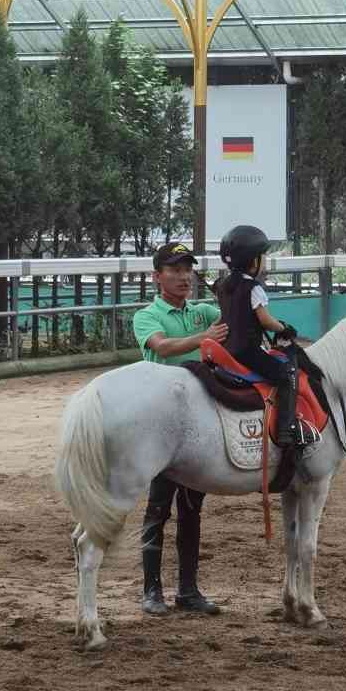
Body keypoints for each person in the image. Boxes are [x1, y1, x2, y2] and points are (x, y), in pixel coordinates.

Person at [133, 242, 228, 618]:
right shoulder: (146, 316)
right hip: (163, 427)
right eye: (174, 270)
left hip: (199, 426)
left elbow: (235, 317)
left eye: (187, 269)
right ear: (157, 277)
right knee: (158, 508)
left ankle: (188, 590)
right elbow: (163, 347)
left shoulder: (202, 310)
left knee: (192, 509)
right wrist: (203, 339)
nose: (184, 276)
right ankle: (151, 591)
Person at [215, 225, 299, 448]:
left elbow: (225, 317)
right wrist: (283, 328)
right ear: (253, 261)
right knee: (287, 373)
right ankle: (286, 429)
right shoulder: (254, 288)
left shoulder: (222, 286)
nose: (264, 261)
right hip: (247, 352)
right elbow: (265, 320)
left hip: (225, 350)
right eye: (263, 256)